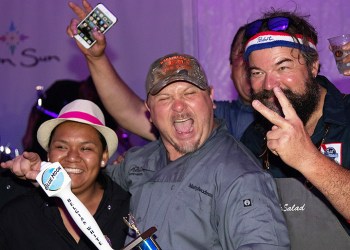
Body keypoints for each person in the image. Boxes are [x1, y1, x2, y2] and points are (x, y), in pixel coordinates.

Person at [2, 53, 291, 249]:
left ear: (211, 98)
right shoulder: (140, 161)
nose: (179, 107)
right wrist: (40, 172)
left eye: (189, 93)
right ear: (149, 112)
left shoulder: (240, 177)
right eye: (165, 97)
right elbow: (88, 180)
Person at [66, 0, 254, 141]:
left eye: (257, 57)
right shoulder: (217, 116)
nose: (250, 62)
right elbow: (130, 112)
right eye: (242, 53)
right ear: (230, 68)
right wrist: (96, 58)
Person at [240, 10, 350, 249]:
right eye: (258, 72)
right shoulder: (254, 138)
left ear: (313, 67)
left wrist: (308, 158)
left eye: (283, 67)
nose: (270, 85)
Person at [0, 99, 130, 250]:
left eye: (86, 148)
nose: (72, 157)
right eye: (61, 147)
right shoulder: (17, 214)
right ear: (48, 154)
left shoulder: (128, 209)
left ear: (104, 157)